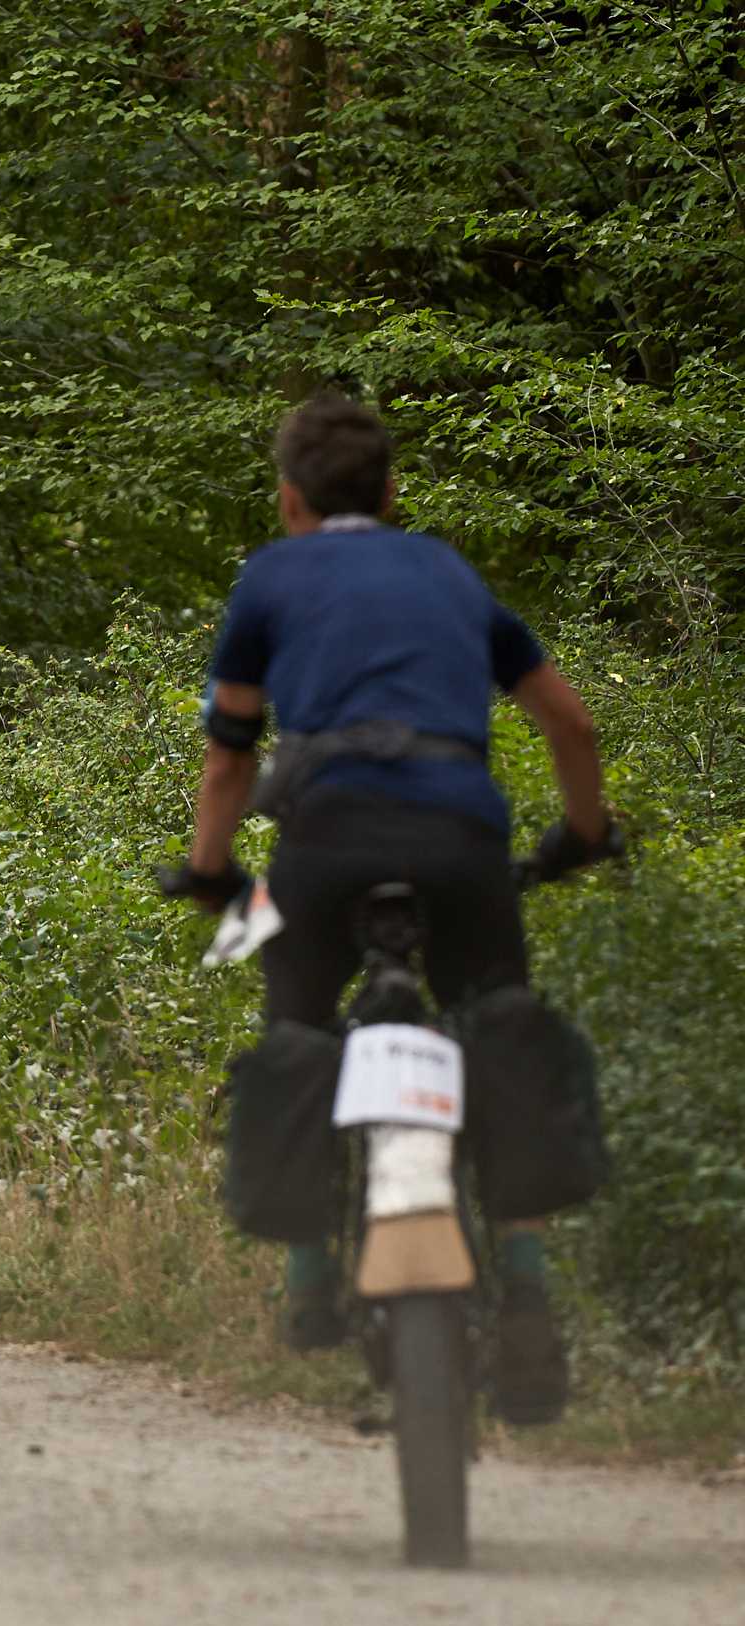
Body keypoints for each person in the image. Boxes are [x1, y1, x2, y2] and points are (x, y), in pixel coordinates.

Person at [172, 391, 619, 1424]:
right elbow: (571, 723)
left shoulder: (270, 579)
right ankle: (525, 1279)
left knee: (293, 1020)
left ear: (288, 498)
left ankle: (310, 1274)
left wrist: (209, 868)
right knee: (499, 1021)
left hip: (324, 851)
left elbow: (229, 754)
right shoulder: (448, 571)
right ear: (394, 491)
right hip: (460, 844)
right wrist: (584, 834)